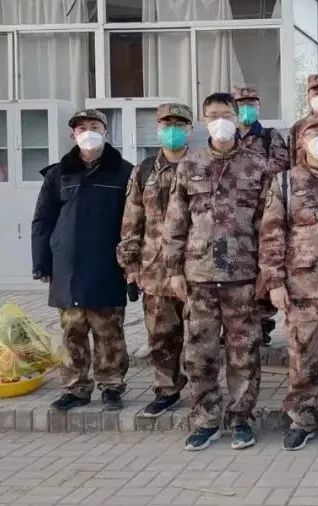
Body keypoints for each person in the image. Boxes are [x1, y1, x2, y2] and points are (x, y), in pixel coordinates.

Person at [163, 92, 269, 452]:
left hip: (243, 275)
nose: (220, 121)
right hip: (200, 275)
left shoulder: (258, 165)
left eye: (226, 114)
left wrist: (266, 271)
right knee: (199, 354)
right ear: (204, 121)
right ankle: (205, 420)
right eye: (212, 115)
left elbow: (267, 224)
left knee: (244, 353)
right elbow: (175, 222)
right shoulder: (189, 165)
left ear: (238, 119)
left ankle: (241, 419)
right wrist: (174, 270)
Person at [259, 114, 318, 452]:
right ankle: (302, 419)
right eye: (315, 134)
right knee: (303, 358)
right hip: (302, 289)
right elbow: (271, 234)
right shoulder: (285, 182)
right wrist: (274, 281)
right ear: (301, 142)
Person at [32, 109, 134, 412]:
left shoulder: (124, 172)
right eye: (81, 128)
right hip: (68, 266)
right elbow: (43, 220)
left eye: (94, 126)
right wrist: (41, 263)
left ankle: (111, 385)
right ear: (72, 135)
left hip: (107, 265)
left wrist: (132, 265)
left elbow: (134, 222)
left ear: (106, 132)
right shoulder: (58, 174)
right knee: (72, 331)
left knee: (108, 331)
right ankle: (75, 388)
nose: (88, 132)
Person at [117, 103, 194, 417]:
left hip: (195, 267)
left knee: (201, 336)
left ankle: (204, 391)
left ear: (189, 129)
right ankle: (166, 389)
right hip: (155, 269)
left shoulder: (201, 165)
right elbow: (132, 219)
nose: (172, 130)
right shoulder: (145, 170)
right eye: (166, 124)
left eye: (179, 124)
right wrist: (131, 264)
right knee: (161, 336)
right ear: (158, 129)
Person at [233, 86, 289, 345]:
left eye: (251, 104)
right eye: (241, 104)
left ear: (258, 106)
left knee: (264, 270)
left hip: (263, 215)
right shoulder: (226, 137)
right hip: (234, 219)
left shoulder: (269, 137)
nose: (246, 108)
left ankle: (263, 323)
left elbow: (279, 172)